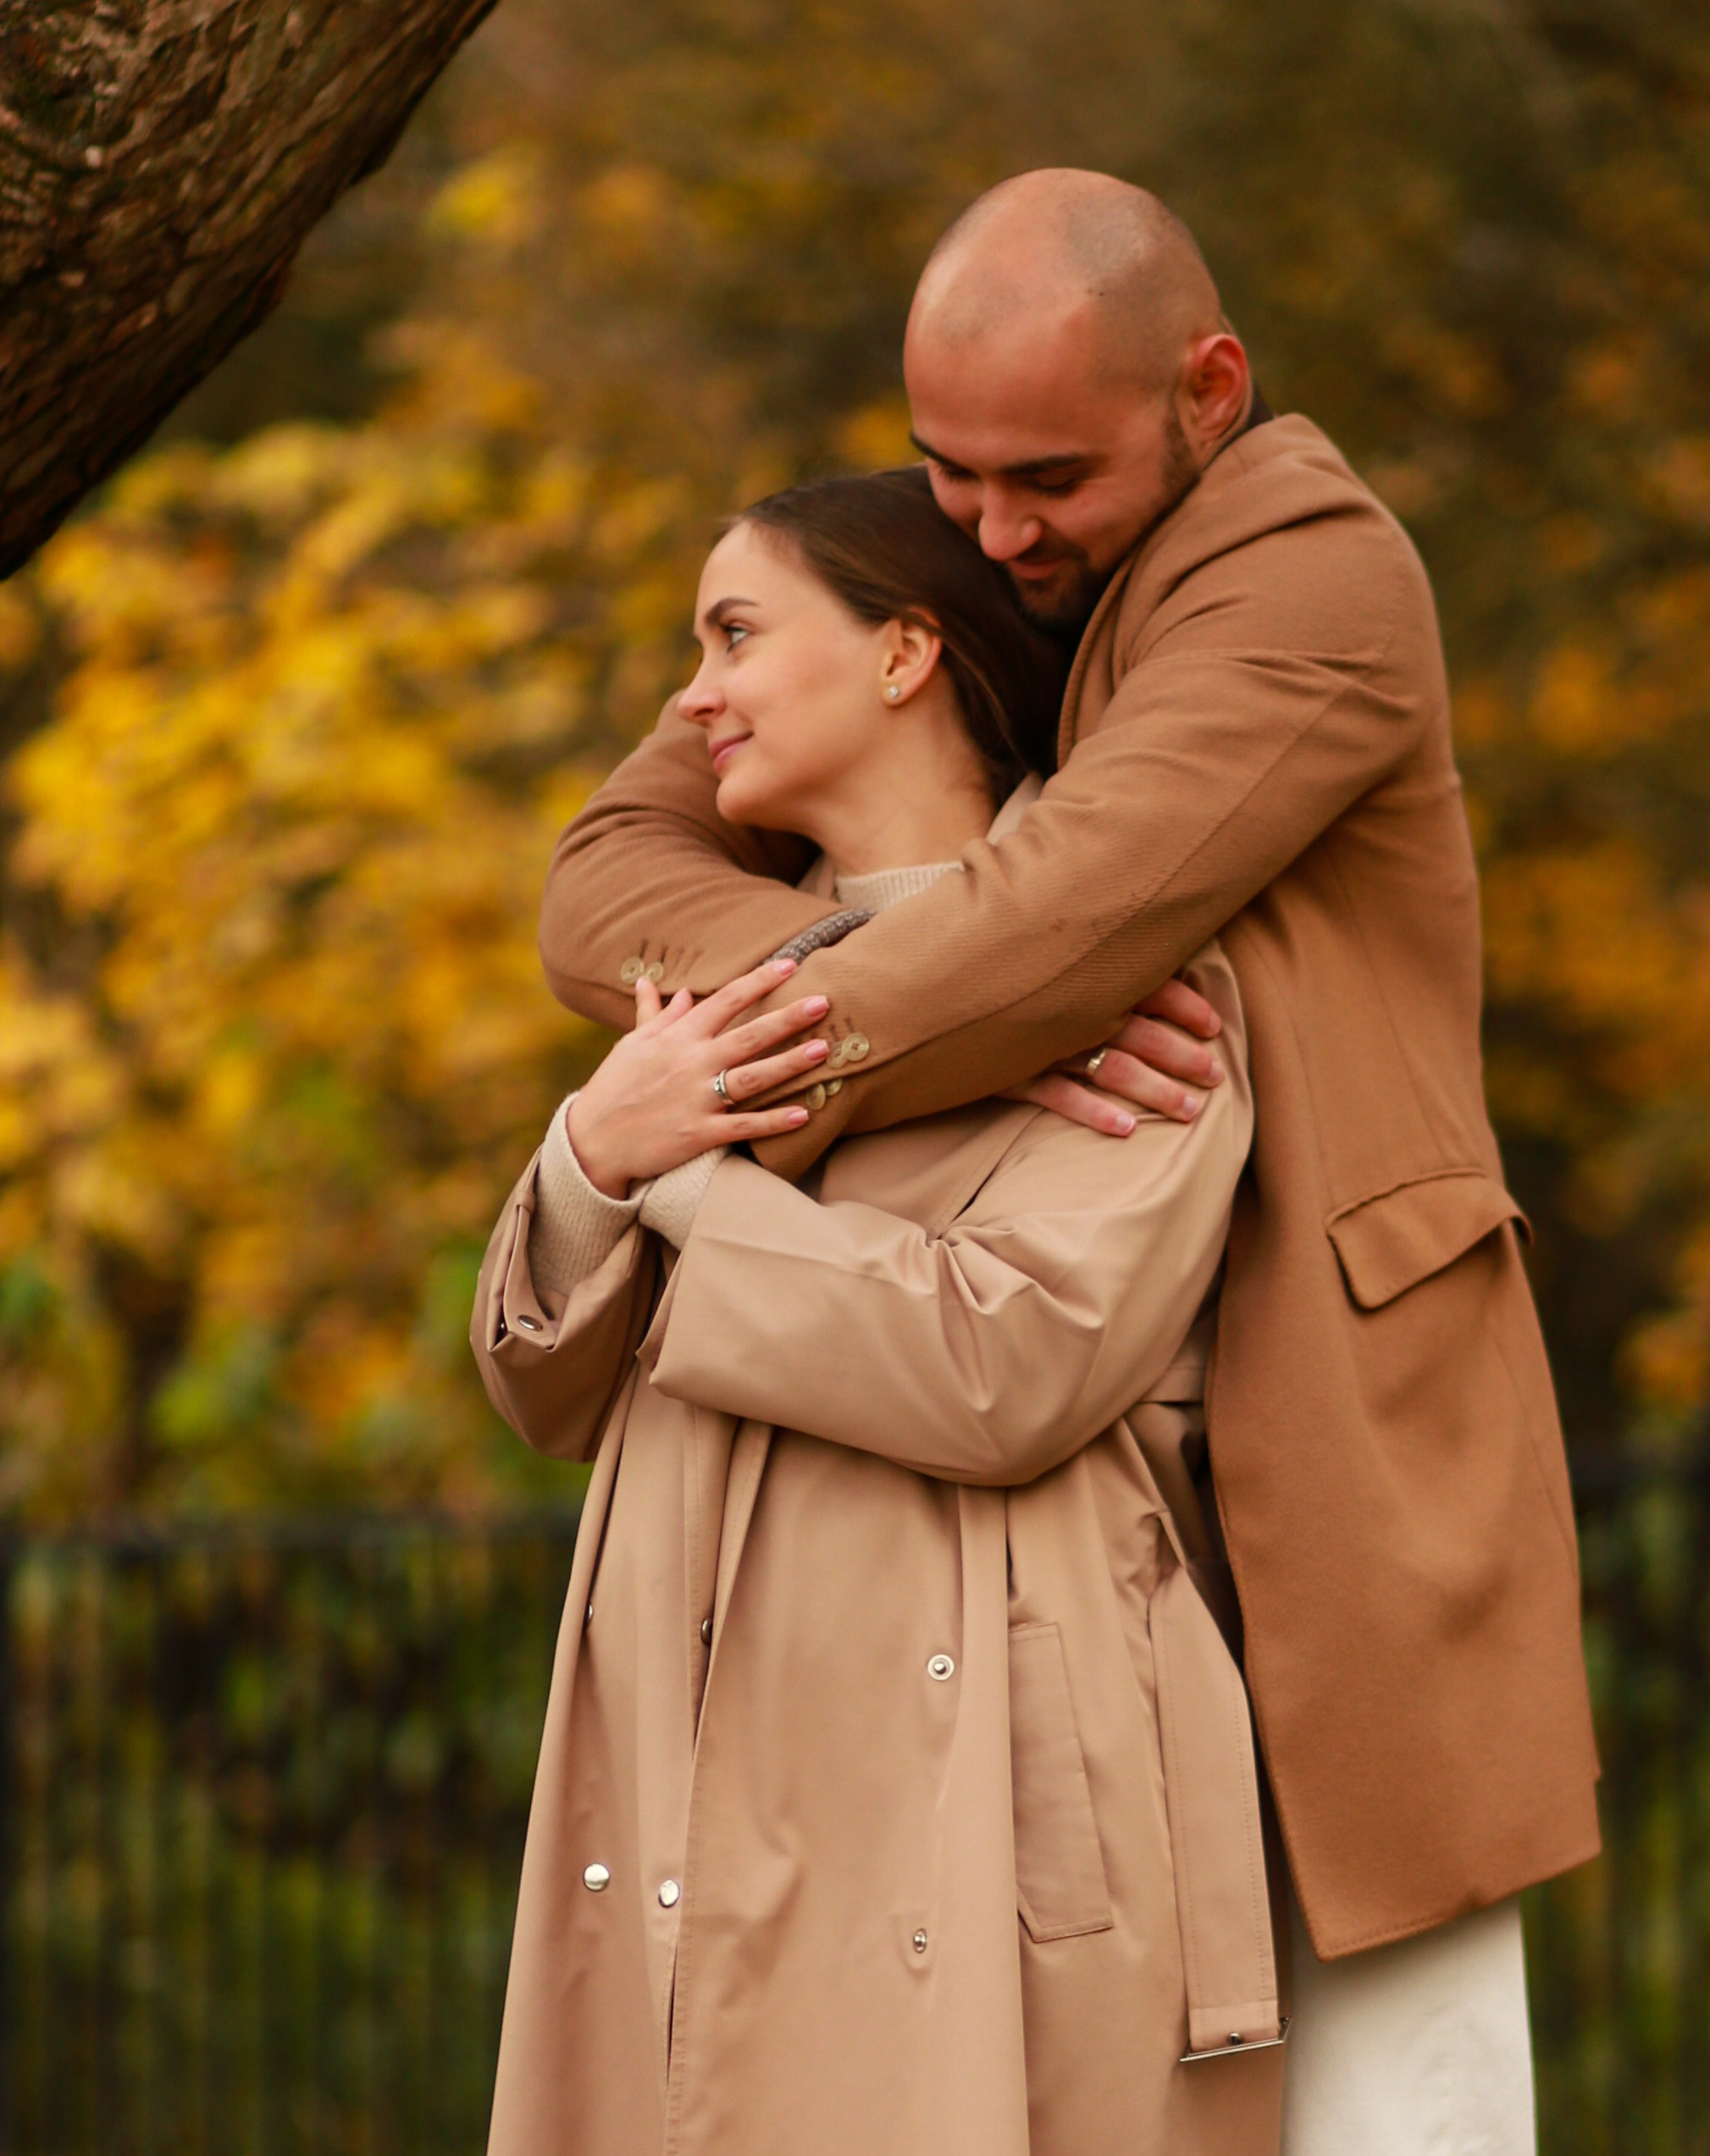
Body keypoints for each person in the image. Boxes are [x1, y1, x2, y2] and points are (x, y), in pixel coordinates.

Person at [536, 169, 1598, 2153]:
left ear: (1208, 388)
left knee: (1390, 2115)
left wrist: (794, 1070)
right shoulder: (937, 573)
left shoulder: (1310, 581)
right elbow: (604, 878)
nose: (995, 526)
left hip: (1324, 1452)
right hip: (1084, 1540)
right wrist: (824, 989)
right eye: (948, 475)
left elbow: (1037, 937)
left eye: (1043, 473)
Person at [476, 466, 1281, 2156]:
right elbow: (545, 1390)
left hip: (982, 1813)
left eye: (734, 633)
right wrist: (586, 1155)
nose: (689, 693)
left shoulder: (1145, 998)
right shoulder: (710, 993)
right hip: (701, 1767)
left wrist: (678, 1172)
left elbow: (1001, 1359)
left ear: (906, 650)